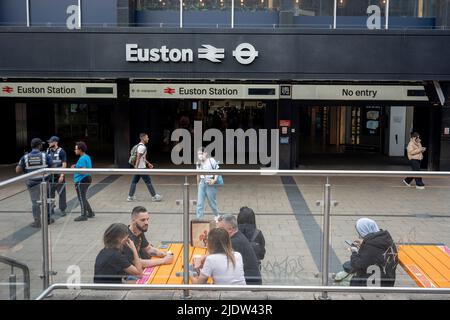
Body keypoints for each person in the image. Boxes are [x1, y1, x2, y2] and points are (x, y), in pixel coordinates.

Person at [16, 138, 54, 228]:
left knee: (35, 202)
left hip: (32, 183)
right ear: (40, 145)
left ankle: (37, 222)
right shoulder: (45, 156)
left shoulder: (25, 157)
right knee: (47, 200)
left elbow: (18, 170)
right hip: (45, 181)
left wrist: (26, 171)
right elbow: (52, 166)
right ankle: (48, 219)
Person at [348, 218, 398, 287]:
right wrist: (364, 244)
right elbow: (376, 253)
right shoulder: (386, 238)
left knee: (350, 278)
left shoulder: (370, 245)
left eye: (360, 233)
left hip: (373, 284)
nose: (359, 236)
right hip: (388, 281)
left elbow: (358, 264)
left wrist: (354, 252)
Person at [217, 214, 262, 285]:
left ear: (230, 229)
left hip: (249, 285)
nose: (217, 232)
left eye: (220, 229)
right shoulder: (237, 235)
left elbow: (221, 264)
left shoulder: (235, 243)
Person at [127, 133, 163, 202]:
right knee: (148, 182)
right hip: (141, 168)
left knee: (134, 182)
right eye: (147, 137)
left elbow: (142, 158)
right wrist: (136, 169)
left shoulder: (139, 146)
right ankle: (154, 196)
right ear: (143, 138)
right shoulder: (142, 147)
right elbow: (138, 158)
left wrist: (148, 163)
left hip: (139, 168)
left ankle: (130, 197)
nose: (148, 138)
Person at [72, 141, 94, 222]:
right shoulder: (86, 157)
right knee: (83, 197)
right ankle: (90, 212)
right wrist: (76, 166)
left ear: (80, 150)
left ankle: (83, 215)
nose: (75, 150)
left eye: (76, 149)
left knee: (81, 198)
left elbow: (83, 170)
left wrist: (74, 168)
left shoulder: (82, 158)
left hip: (81, 180)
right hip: (87, 178)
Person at [196, 147, 220, 219]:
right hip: (202, 183)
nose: (200, 155)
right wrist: (198, 184)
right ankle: (199, 219)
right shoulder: (198, 163)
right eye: (198, 153)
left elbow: (217, 170)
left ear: (206, 153)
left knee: (212, 202)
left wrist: (214, 180)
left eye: (201, 153)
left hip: (210, 183)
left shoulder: (211, 160)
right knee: (199, 203)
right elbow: (197, 174)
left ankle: (217, 216)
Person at [46, 136, 67, 216]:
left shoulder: (61, 151)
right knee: (50, 194)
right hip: (50, 176)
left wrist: (62, 175)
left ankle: (62, 209)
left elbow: (64, 164)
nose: (49, 143)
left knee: (61, 193)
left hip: (59, 176)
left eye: (50, 142)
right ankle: (51, 209)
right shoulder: (47, 151)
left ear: (55, 142)